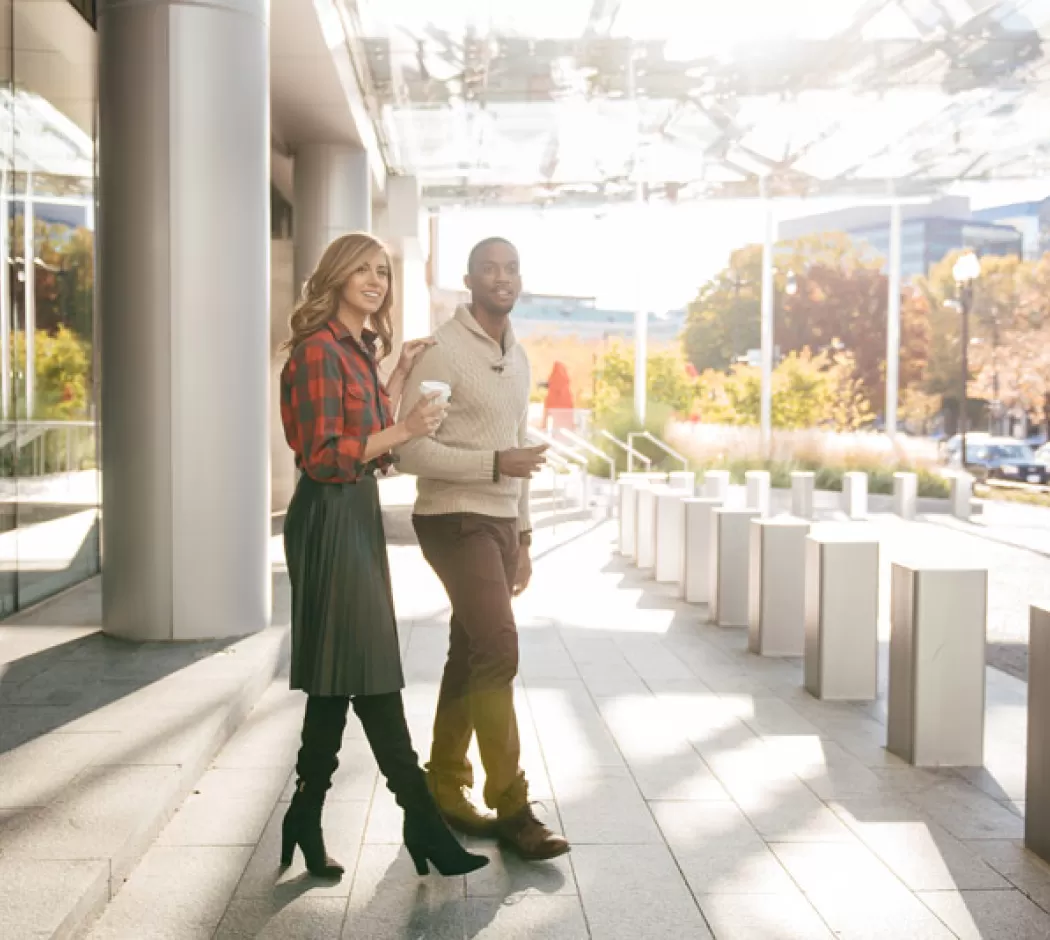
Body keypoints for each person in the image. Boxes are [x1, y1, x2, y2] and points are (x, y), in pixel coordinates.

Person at [278, 232, 488, 880]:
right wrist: (406, 427)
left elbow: (373, 445)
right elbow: (325, 455)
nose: (376, 281)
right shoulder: (317, 352)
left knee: (340, 674)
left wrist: (396, 379)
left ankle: (305, 814)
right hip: (329, 513)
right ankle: (421, 818)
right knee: (369, 670)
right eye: (362, 270)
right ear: (336, 276)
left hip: (354, 513)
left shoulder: (354, 352)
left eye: (382, 272)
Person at [396, 237, 570, 860]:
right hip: (451, 518)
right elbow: (411, 452)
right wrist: (497, 465)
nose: (503, 277)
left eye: (512, 267)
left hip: (497, 523)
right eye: (490, 268)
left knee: (470, 649)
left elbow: (519, 444)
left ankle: (443, 786)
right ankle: (513, 806)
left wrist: (523, 534)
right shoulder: (441, 352)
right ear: (468, 280)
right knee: (498, 648)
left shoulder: (517, 354)